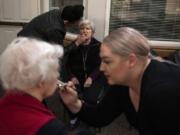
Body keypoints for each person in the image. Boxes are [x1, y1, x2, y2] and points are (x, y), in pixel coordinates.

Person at [59, 27, 180, 135]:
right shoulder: (125, 82)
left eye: (107, 61)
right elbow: (100, 115)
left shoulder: (162, 92)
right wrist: (74, 103)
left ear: (131, 60)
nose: (101, 68)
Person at [0, 37, 67, 135]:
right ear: (41, 79)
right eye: (55, 70)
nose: (57, 75)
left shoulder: (4, 106)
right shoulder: (50, 128)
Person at [64, 19, 105, 129]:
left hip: (94, 79)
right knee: (66, 93)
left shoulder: (98, 46)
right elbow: (67, 64)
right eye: (82, 28)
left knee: (90, 98)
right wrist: (72, 77)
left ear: (92, 32)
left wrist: (91, 78)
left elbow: (100, 66)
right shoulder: (74, 45)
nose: (85, 31)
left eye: (88, 29)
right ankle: (74, 117)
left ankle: (88, 119)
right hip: (77, 78)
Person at [17, 5, 84, 45]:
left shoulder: (57, 12)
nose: (79, 23)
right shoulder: (55, 28)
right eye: (77, 21)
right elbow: (59, 52)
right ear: (67, 21)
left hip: (27, 37)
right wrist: (77, 43)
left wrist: (75, 38)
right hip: (25, 44)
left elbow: (61, 33)